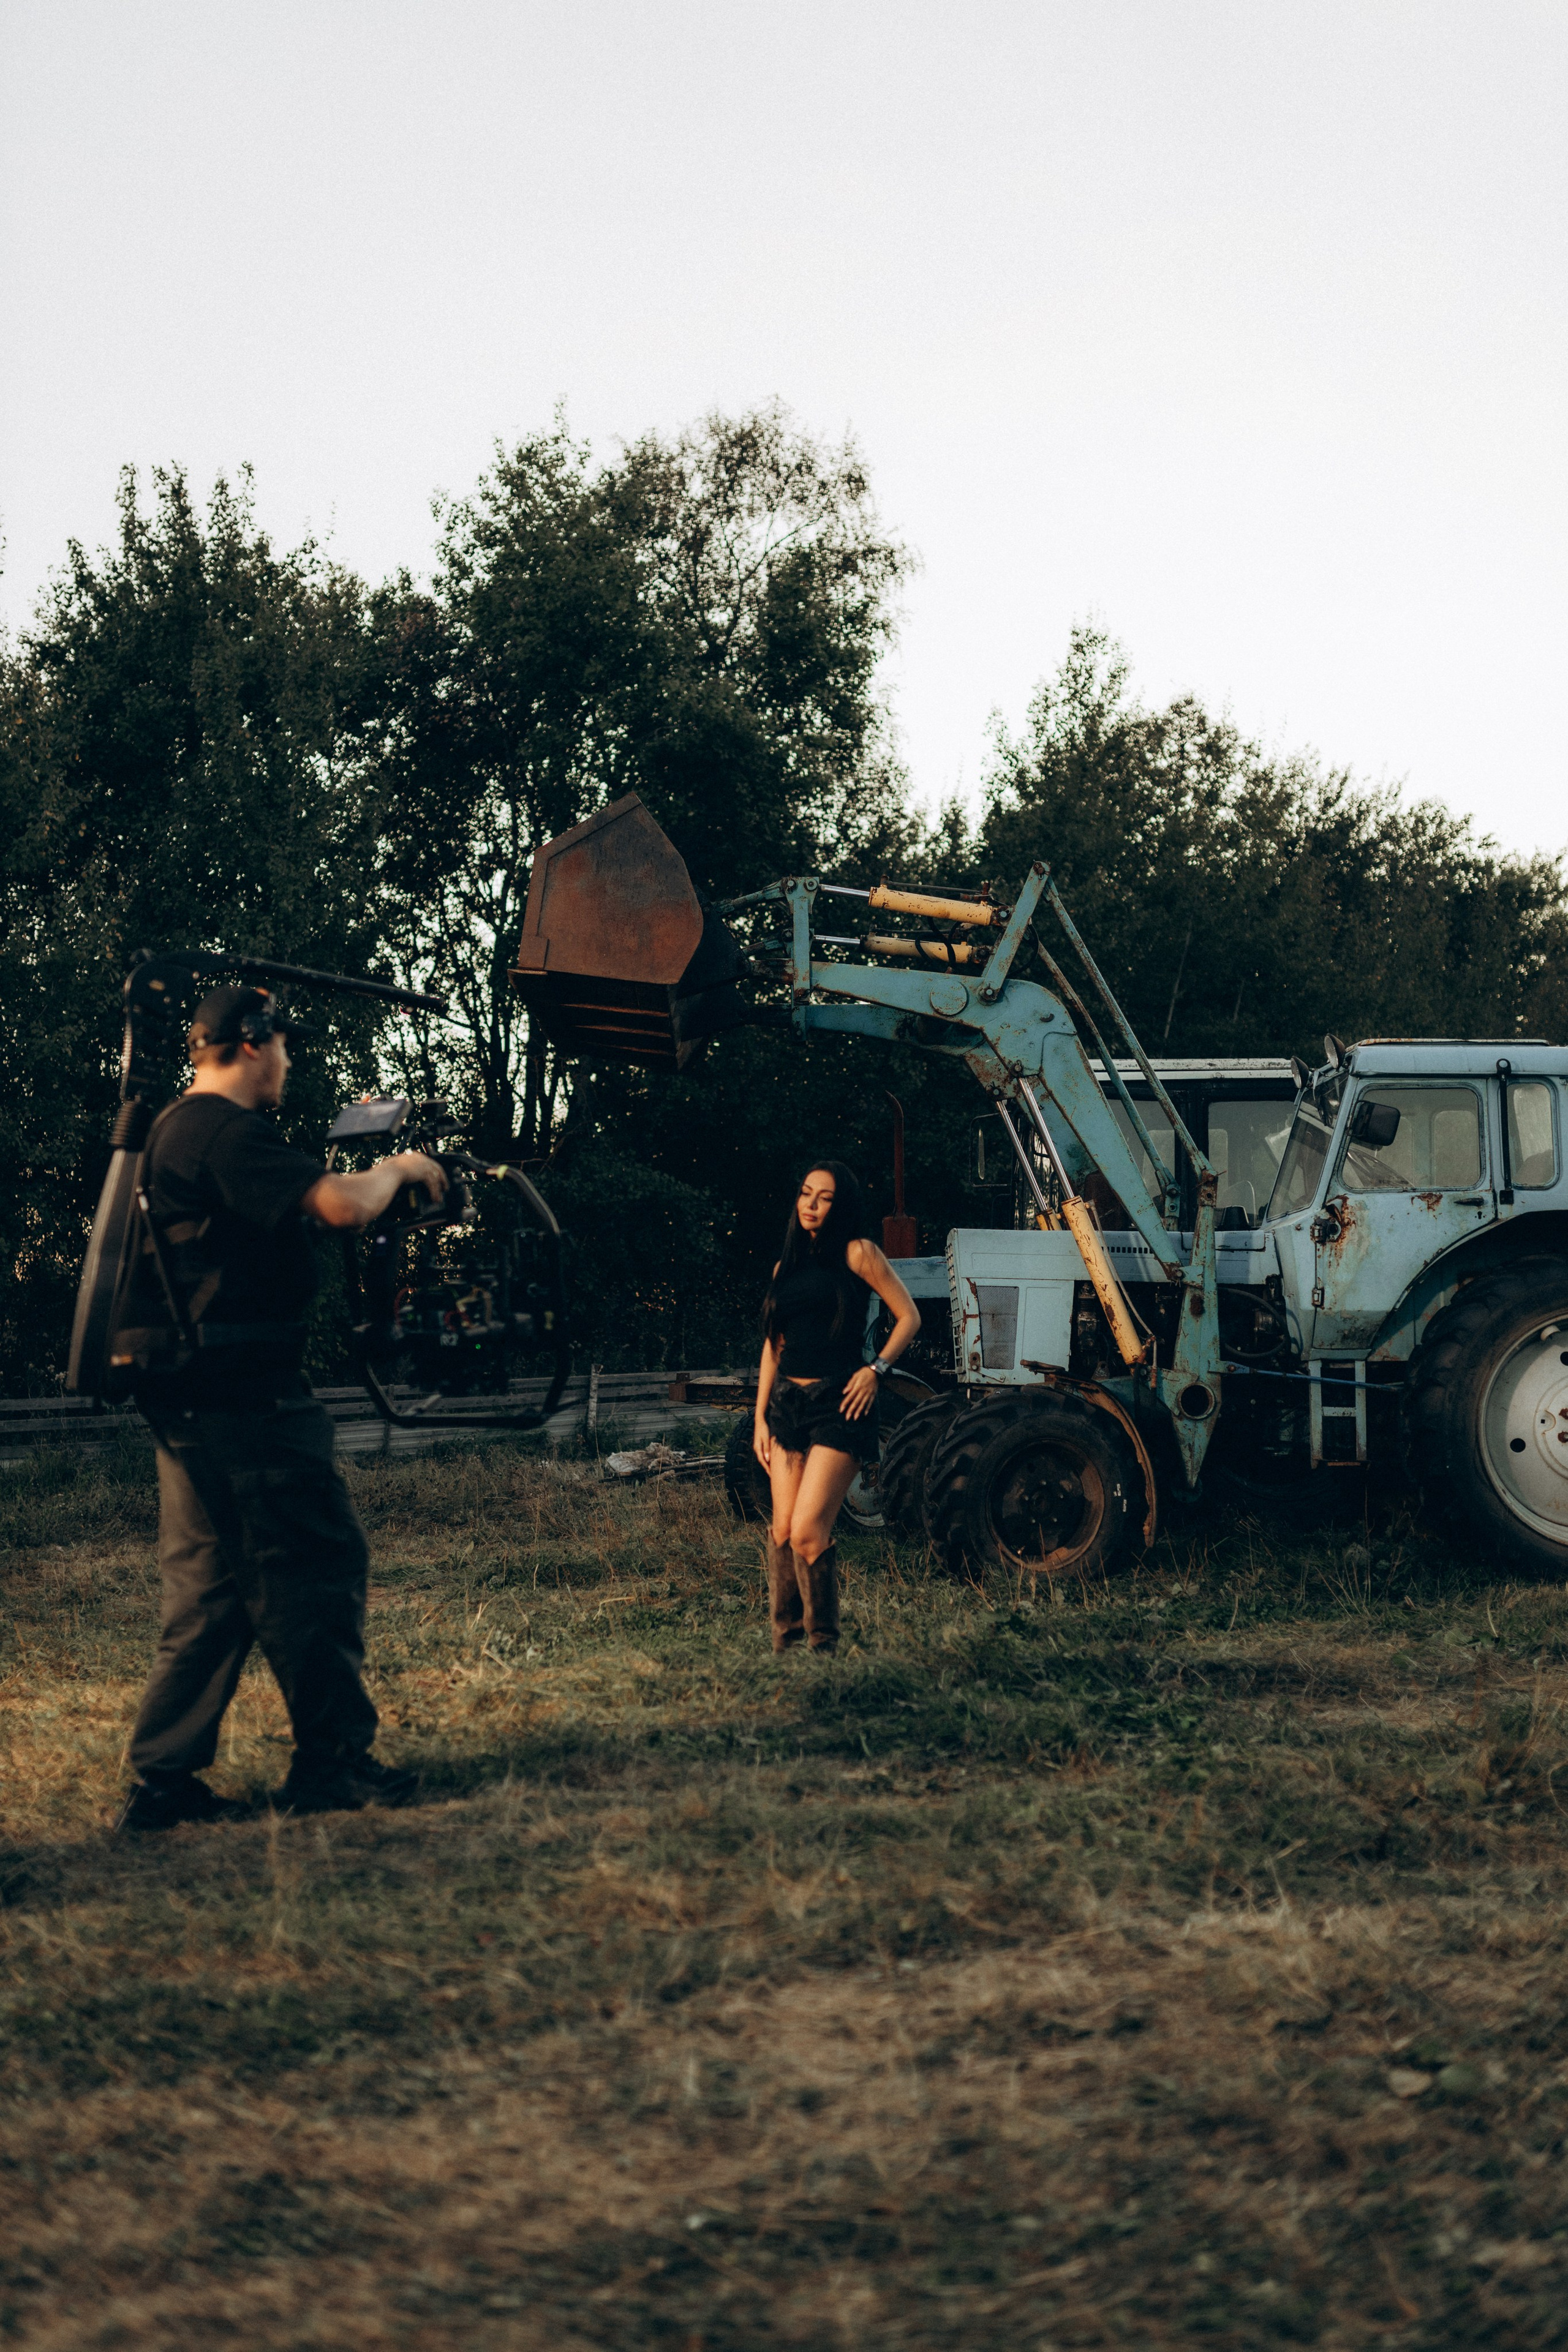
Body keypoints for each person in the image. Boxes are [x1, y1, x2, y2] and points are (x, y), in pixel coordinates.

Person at [115, 985, 449, 1833]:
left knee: (213, 1589)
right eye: (285, 1047)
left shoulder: (173, 1129)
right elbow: (342, 1204)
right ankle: (333, 1766)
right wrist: (402, 1168)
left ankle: (163, 1783)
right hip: (246, 1401)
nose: (290, 1064)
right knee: (313, 1567)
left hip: (195, 1398)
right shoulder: (224, 1130)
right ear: (253, 1042)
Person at [753, 1161, 921, 1653]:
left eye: (823, 1197)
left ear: (840, 1204)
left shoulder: (859, 1253)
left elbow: (908, 1316)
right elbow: (773, 1345)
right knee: (782, 1532)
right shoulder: (786, 1267)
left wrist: (877, 1370)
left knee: (808, 1531)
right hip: (787, 1407)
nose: (810, 1204)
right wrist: (761, 1415)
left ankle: (823, 1645)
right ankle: (786, 1646)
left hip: (839, 1404)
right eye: (805, 1194)